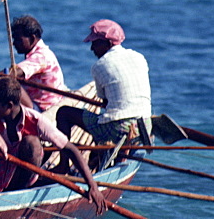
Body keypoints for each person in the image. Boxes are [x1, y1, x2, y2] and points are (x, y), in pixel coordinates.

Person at [0, 77, 108, 214]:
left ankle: (19, 193)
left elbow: (69, 149)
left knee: (32, 143)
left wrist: (92, 186)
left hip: (17, 176)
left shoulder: (35, 120)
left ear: (9, 106)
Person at [56, 19, 151, 170]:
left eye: (95, 43)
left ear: (107, 43)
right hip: (145, 125)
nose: (92, 48)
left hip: (119, 129)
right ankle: (107, 158)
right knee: (103, 118)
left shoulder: (99, 66)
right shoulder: (139, 57)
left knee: (64, 113)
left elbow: (104, 101)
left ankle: (63, 165)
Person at [0, 15, 66, 111]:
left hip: (42, 109)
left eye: (18, 39)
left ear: (32, 38)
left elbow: (11, 73)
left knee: (10, 83)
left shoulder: (41, 56)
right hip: (36, 102)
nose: (14, 43)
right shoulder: (38, 54)